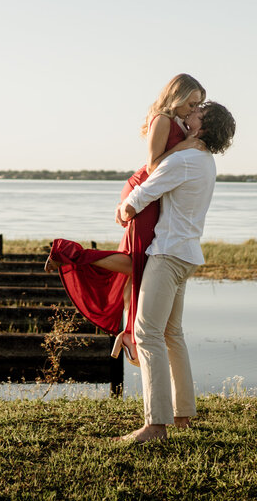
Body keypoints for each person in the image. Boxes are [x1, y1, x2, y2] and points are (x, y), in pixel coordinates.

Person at [45, 74, 206, 365]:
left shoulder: (180, 122)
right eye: (190, 103)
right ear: (177, 97)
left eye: (197, 105)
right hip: (144, 189)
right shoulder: (162, 119)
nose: (193, 109)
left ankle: (130, 333)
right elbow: (155, 164)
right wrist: (183, 148)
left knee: (138, 263)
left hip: (152, 193)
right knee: (137, 261)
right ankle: (70, 253)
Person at [115, 101, 235, 443]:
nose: (188, 115)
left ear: (202, 127)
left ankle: (155, 426)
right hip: (187, 255)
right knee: (171, 333)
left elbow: (148, 188)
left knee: (147, 333)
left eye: (196, 114)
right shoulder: (206, 162)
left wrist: (124, 209)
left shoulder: (184, 160)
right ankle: (182, 414)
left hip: (168, 254)